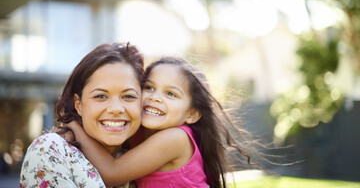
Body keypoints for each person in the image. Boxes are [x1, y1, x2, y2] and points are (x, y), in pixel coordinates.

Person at [67, 56, 259, 188]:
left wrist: (75, 126)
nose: (155, 98)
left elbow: (110, 173)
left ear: (191, 114)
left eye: (170, 94)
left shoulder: (175, 138)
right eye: (149, 87)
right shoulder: (138, 134)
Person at [19, 42, 144, 188]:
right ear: (78, 105)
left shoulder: (143, 158)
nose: (116, 109)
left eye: (129, 96)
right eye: (100, 96)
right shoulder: (51, 150)